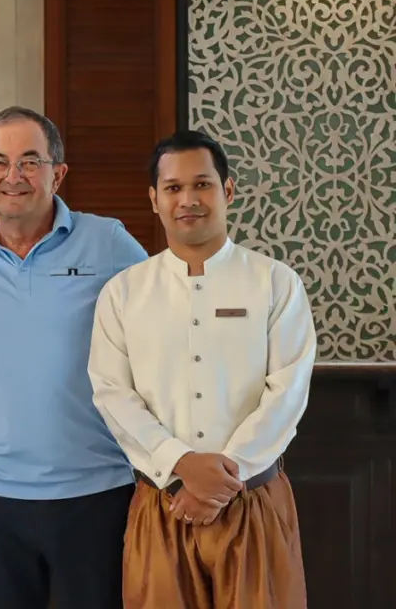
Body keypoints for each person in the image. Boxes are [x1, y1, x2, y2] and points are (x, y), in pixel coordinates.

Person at [88, 129, 314, 608]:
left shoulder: (276, 283)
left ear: (227, 191)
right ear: (154, 199)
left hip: (254, 502)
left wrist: (220, 483)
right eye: (172, 188)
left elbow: (287, 393)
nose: (188, 199)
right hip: (162, 502)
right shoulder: (124, 292)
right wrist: (180, 465)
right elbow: (112, 393)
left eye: (202, 185)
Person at [0, 106, 149, 609]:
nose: (12, 176)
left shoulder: (107, 241)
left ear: (58, 174)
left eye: (30, 161)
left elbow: (165, 327)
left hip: (97, 494)